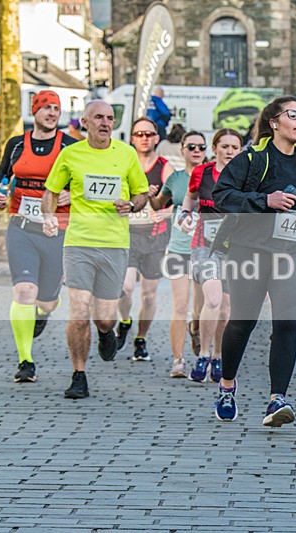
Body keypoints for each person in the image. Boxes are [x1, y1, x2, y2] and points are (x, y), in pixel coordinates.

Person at [211, 96, 296, 427]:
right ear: (274, 122)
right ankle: (227, 385)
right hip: (250, 251)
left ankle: (277, 399)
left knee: (286, 324)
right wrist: (264, 200)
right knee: (243, 323)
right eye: (294, 115)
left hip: (294, 252)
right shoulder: (253, 158)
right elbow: (221, 196)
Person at [41, 100, 148, 399]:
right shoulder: (70, 154)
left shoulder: (126, 154)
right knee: (78, 313)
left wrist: (131, 205)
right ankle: (79, 374)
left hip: (114, 244)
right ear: (85, 122)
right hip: (78, 243)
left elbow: (140, 194)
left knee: (104, 317)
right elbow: (50, 191)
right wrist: (49, 216)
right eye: (98, 117)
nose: (105, 123)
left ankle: (105, 332)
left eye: (110, 118)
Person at [0, 90, 76, 383]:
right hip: (22, 228)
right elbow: (2, 175)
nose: (52, 113)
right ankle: (25, 360)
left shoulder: (70, 145)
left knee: (48, 301)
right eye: (46, 108)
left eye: (56, 108)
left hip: (56, 232)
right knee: (24, 291)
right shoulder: (17, 144)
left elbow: (82, 182)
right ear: (35, 111)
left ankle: (43, 312)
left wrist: (71, 193)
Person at [177, 128, 242, 383]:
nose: (229, 152)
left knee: (225, 309)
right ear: (214, 149)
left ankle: (218, 357)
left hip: (234, 248)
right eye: (224, 146)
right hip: (204, 245)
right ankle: (203, 354)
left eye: (234, 148)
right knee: (212, 299)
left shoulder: (245, 175)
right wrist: (185, 214)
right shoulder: (201, 172)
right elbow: (190, 197)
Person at [147, 130, 207, 377]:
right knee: (179, 304)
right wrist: (151, 197)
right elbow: (159, 204)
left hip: (205, 249)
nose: (196, 151)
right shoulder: (176, 179)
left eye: (201, 147)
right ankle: (178, 361)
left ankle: (196, 328)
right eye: (191, 146)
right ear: (182, 150)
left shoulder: (213, 176)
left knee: (201, 309)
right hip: (179, 248)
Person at [115, 117, 175, 362]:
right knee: (126, 287)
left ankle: (141, 339)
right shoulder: (123, 164)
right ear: (131, 138)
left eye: (149, 134)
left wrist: (164, 210)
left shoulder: (165, 167)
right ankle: (125, 321)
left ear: (157, 138)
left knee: (149, 294)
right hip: (128, 235)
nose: (144, 138)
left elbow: (178, 202)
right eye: (139, 134)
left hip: (155, 237)